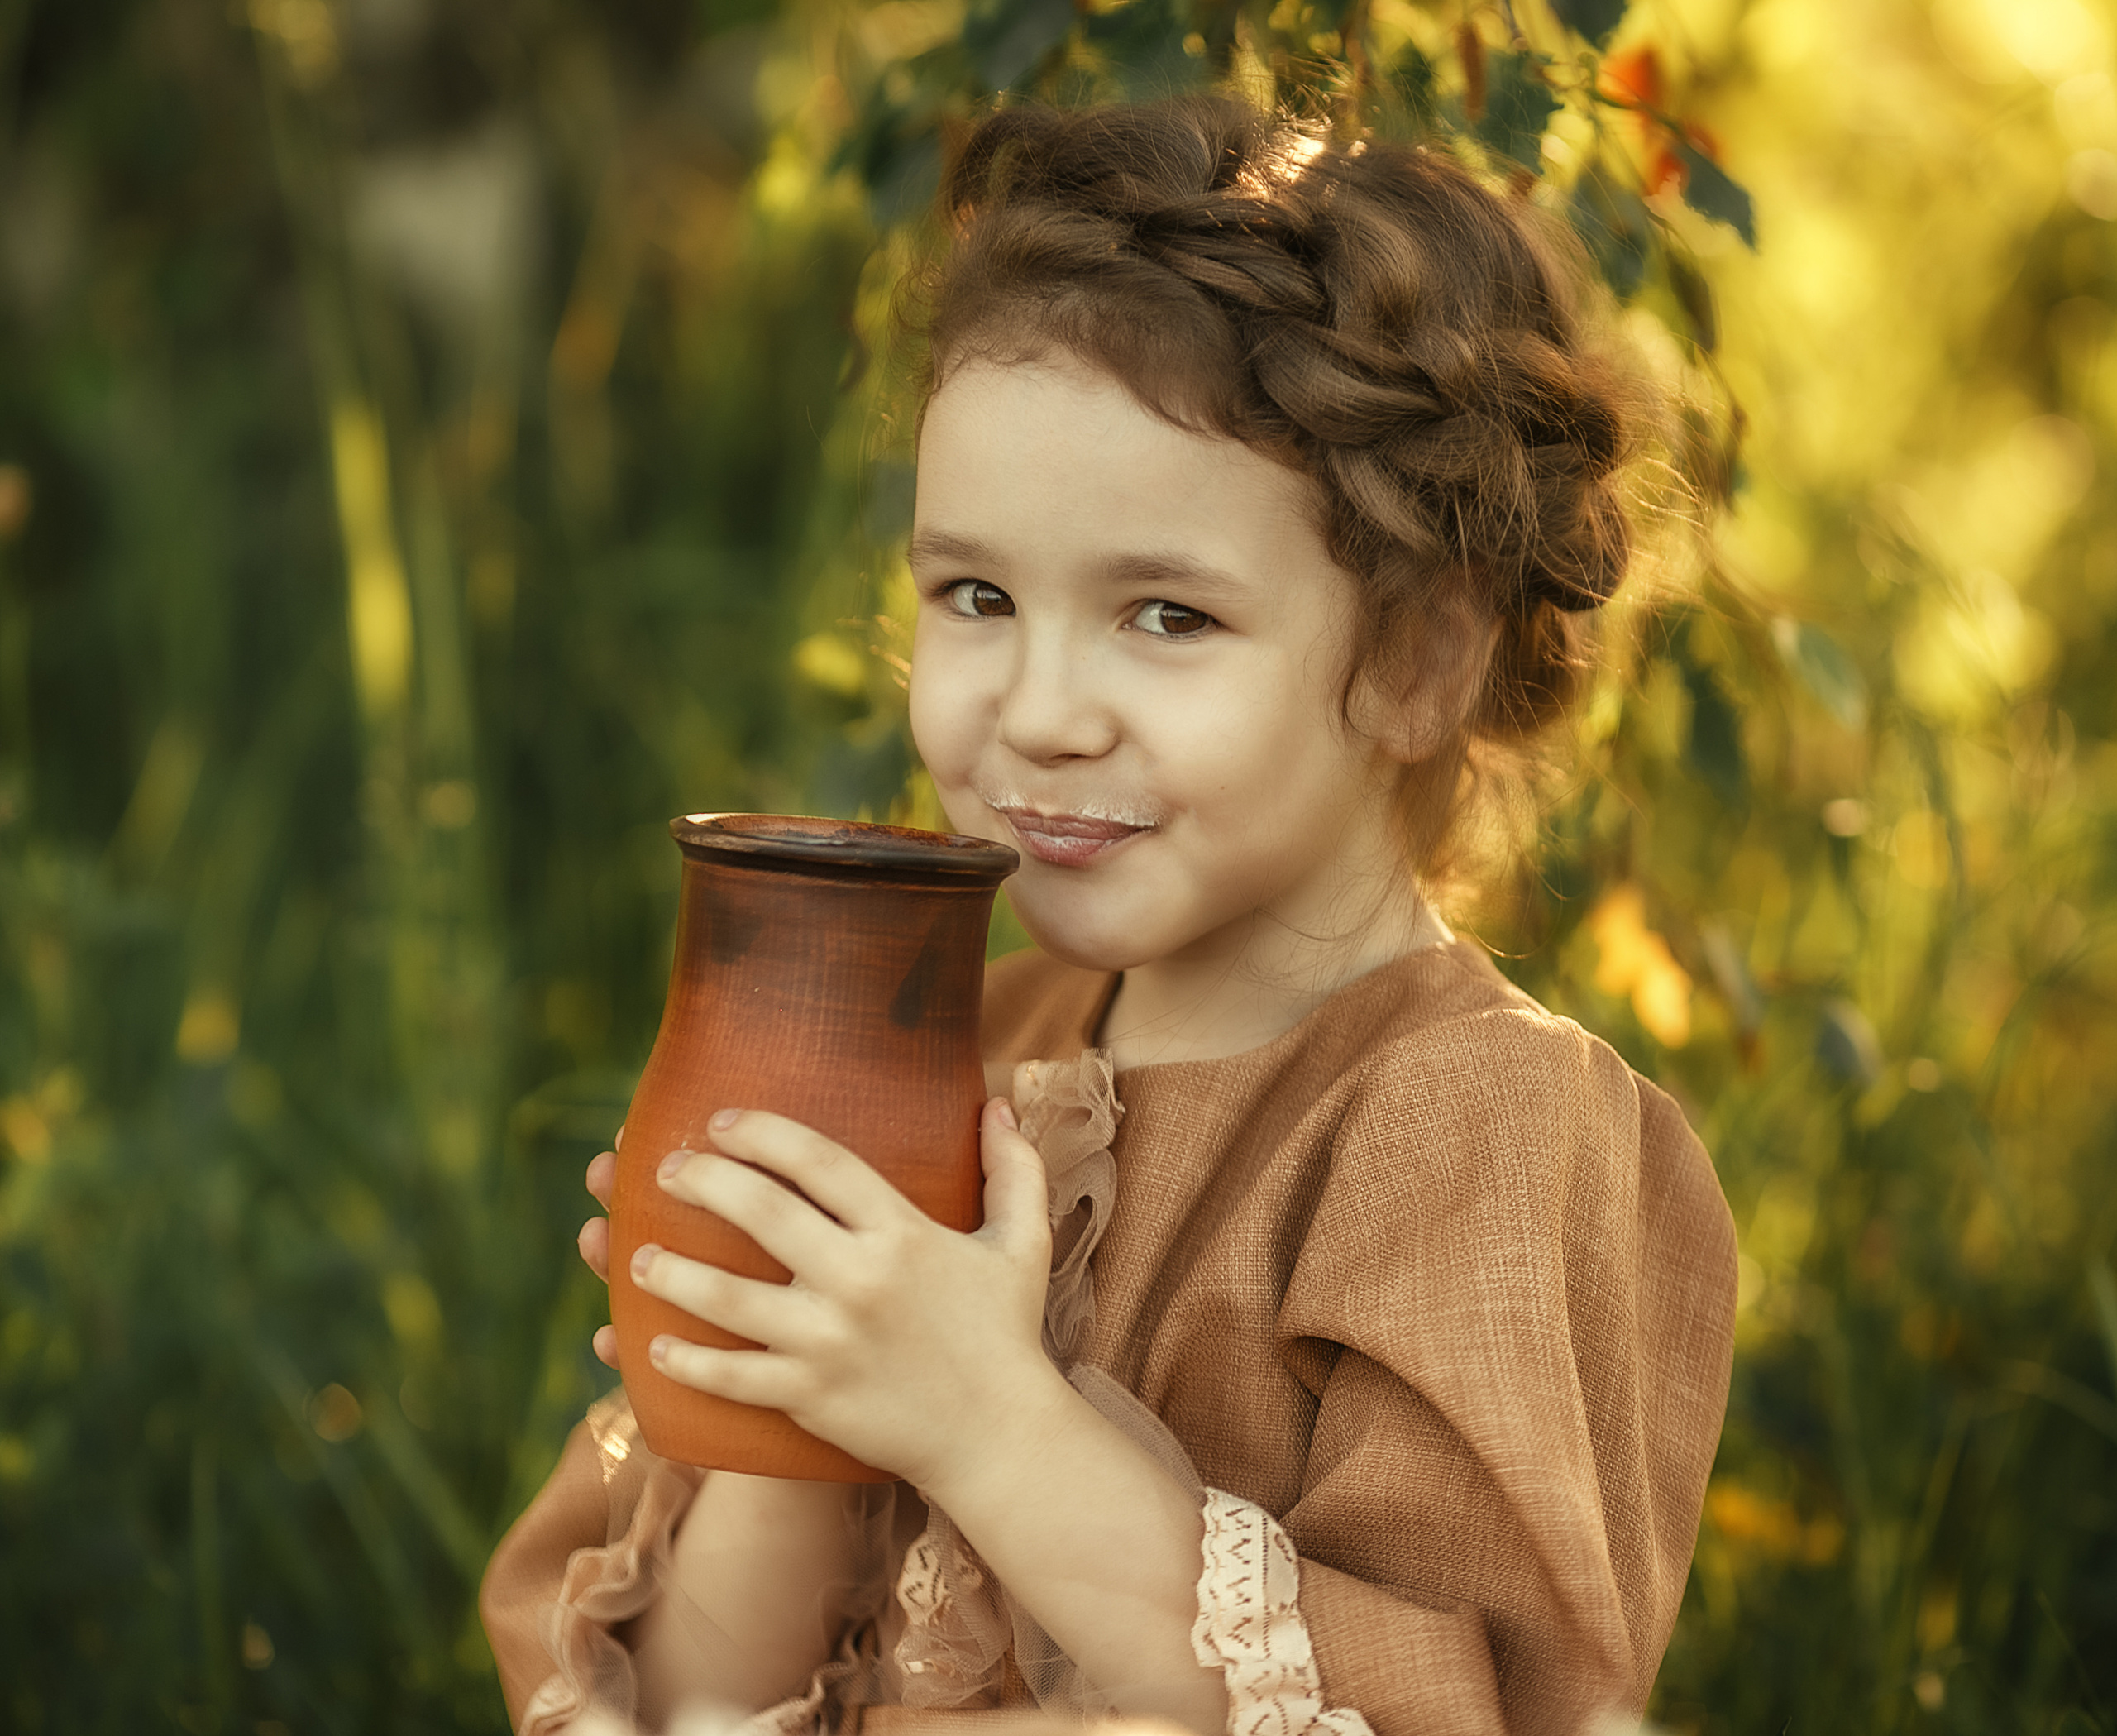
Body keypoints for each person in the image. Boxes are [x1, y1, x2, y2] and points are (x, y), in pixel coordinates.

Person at [480, 93, 1738, 1736]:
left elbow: (1462, 1709)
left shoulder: (1467, 1124)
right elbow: (700, 1702)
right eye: (976, 597)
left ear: (1420, 657)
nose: (1040, 710)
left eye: (1164, 614)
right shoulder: (953, 1057)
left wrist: (982, 1420)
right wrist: (797, 1392)